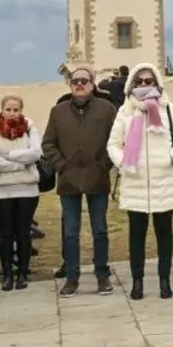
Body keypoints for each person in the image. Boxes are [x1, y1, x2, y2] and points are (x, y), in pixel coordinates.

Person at [106, 62, 173, 300]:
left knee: (164, 235)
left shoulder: (168, 109)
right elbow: (113, 144)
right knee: (137, 236)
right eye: (140, 81)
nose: (144, 85)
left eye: (149, 81)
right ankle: (138, 282)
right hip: (136, 181)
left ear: (156, 83)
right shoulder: (125, 112)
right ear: (132, 84)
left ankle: (164, 281)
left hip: (164, 179)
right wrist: (124, 163)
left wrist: (172, 157)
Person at [42, 67, 119, 296]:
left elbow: (116, 140)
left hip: (97, 177)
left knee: (100, 230)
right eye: (75, 81)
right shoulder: (58, 111)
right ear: (70, 84)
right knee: (71, 232)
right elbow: (48, 144)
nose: (79, 84)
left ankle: (102, 275)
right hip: (69, 179)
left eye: (84, 80)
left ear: (93, 84)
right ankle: (72, 277)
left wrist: (103, 164)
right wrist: (61, 166)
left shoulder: (107, 110)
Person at [0, 95, 44, 290]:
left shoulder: (29, 129)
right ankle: (7, 273)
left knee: (23, 233)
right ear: (2, 110)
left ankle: (22, 273)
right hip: (2, 190)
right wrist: (21, 164)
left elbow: (36, 153)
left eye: (15, 110)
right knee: (6, 234)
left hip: (27, 189)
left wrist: (8, 156)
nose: (11, 113)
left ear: (21, 111)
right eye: (8, 109)